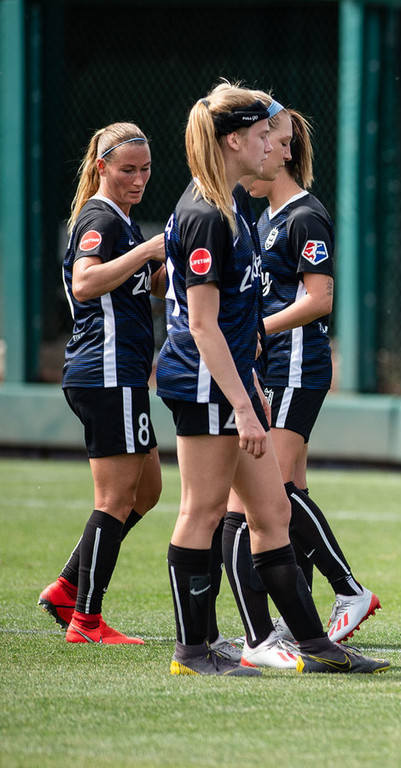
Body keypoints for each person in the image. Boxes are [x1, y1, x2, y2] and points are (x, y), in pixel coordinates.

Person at [157, 82, 387, 676]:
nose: (274, 146)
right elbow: (202, 326)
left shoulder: (234, 208)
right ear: (234, 140)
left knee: (272, 513)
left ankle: (315, 646)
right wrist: (243, 403)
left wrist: (252, 386)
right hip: (204, 384)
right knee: (203, 512)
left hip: (237, 380)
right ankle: (192, 649)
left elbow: (231, 323)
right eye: (263, 135)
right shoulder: (208, 212)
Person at [222, 105, 380, 670]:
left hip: (294, 365)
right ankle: (298, 621)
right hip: (273, 367)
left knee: (267, 497)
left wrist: (255, 329)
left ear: (285, 152)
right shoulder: (262, 217)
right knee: (284, 492)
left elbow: (320, 299)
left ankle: (346, 591)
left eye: (273, 141)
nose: (261, 152)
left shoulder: (304, 216)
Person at [38, 122, 166, 645]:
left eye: (145, 169)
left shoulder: (121, 221)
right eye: (127, 170)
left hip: (123, 373)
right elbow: (86, 281)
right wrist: (149, 249)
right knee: (115, 499)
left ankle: (69, 586)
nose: (138, 179)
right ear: (102, 168)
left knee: (149, 489)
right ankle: (85, 620)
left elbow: (131, 286)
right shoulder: (100, 216)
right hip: (106, 372)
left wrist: (163, 267)